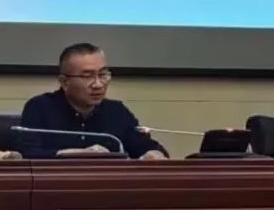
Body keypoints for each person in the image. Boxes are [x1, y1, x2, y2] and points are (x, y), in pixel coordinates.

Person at [18, 43, 168, 160]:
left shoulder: (117, 111)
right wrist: (74, 154)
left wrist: (154, 154)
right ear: (64, 82)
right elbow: (26, 154)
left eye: (103, 74)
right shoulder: (40, 107)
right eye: (87, 76)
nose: (98, 84)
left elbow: (147, 147)